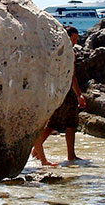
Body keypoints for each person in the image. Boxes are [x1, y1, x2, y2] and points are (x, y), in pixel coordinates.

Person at [32, 26, 87, 166]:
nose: (74, 42)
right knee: (55, 123)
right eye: (73, 39)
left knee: (68, 123)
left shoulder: (65, 52)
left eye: (76, 40)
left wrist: (78, 95)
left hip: (63, 91)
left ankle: (68, 155)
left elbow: (72, 76)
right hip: (59, 91)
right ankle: (37, 152)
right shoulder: (61, 52)